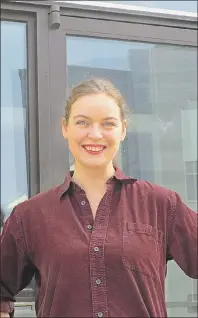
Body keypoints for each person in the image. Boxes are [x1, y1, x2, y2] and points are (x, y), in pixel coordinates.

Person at [0, 78, 197, 318]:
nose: (95, 134)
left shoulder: (161, 204)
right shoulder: (30, 215)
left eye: (108, 124)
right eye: (82, 122)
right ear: (65, 127)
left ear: (123, 129)